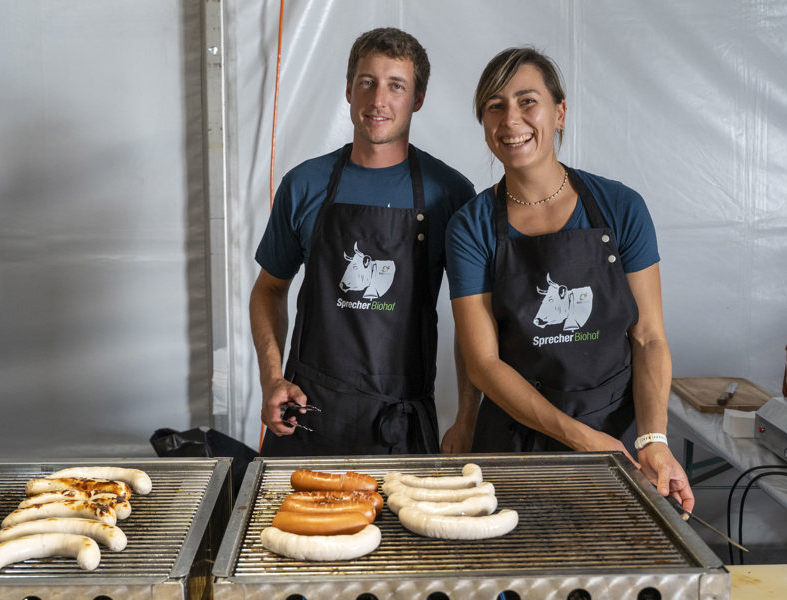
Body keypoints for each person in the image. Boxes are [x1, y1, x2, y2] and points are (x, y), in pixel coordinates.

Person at [445, 47, 694, 510]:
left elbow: (648, 338)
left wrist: (653, 438)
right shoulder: (471, 225)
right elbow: (483, 363)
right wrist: (582, 439)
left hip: (619, 438)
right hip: (515, 445)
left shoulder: (620, 207)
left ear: (559, 112)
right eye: (494, 106)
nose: (510, 119)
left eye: (527, 101)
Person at [250, 27, 479, 457]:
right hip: (307, 417)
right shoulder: (304, 185)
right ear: (349, 90)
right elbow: (269, 288)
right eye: (366, 82)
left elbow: (473, 320)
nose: (378, 101)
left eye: (396, 86)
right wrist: (271, 378)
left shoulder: (449, 194)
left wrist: (467, 417)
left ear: (418, 98)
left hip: (401, 427)